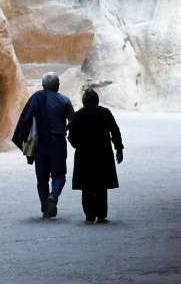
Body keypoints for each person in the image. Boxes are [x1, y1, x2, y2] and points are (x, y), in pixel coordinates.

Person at [12, 72, 74, 218]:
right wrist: (64, 129)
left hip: (40, 144)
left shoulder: (36, 98)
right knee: (59, 175)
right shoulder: (65, 100)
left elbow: (26, 119)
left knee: (42, 178)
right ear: (58, 85)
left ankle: (46, 208)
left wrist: (27, 141)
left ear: (43, 85)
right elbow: (73, 120)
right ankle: (53, 196)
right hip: (58, 142)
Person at [68, 87, 124, 224]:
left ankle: (89, 215)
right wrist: (119, 148)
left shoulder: (78, 114)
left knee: (86, 186)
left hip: (84, 155)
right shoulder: (105, 113)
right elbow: (115, 131)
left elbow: (71, 136)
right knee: (101, 185)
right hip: (103, 153)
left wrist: (78, 146)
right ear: (97, 100)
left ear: (84, 101)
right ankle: (101, 214)